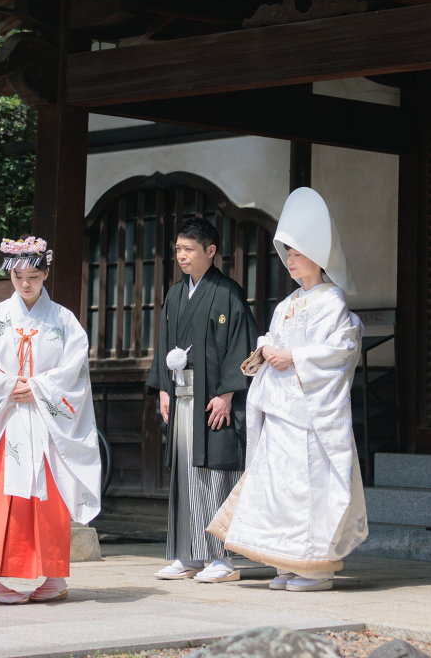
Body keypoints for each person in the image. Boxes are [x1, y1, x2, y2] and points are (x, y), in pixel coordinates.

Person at [207, 187, 368, 592]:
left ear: (317, 255)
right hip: (280, 407)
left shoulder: (331, 301)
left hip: (309, 411)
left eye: (297, 254)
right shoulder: (287, 303)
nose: (291, 261)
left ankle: (314, 568)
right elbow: (273, 338)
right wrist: (267, 350)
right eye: (288, 255)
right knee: (278, 488)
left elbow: (340, 350)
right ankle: (284, 562)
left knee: (306, 488)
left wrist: (293, 355)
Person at [0, 235, 101, 605]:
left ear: (46, 274)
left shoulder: (65, 322)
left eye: (34, 277)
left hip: (45, 422)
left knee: (49, 499)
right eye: (18, 277)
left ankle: (54, 577)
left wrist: (40, 387)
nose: (25, 284)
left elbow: (74, 370)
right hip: (2, 420)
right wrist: (8, 386)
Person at [146, 217, 258, 583]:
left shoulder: (228, 292)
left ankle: (222, 557)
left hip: (214, 399)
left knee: (216, 473)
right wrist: (164, 388)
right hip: (182, 394)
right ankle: (188, 554)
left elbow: (240, 344)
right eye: (178, 249)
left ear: (210, 251)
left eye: (189, 249)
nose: (181, 256)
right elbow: (164, 344)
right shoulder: (175, 294)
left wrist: (228, 393)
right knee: (185, 473)